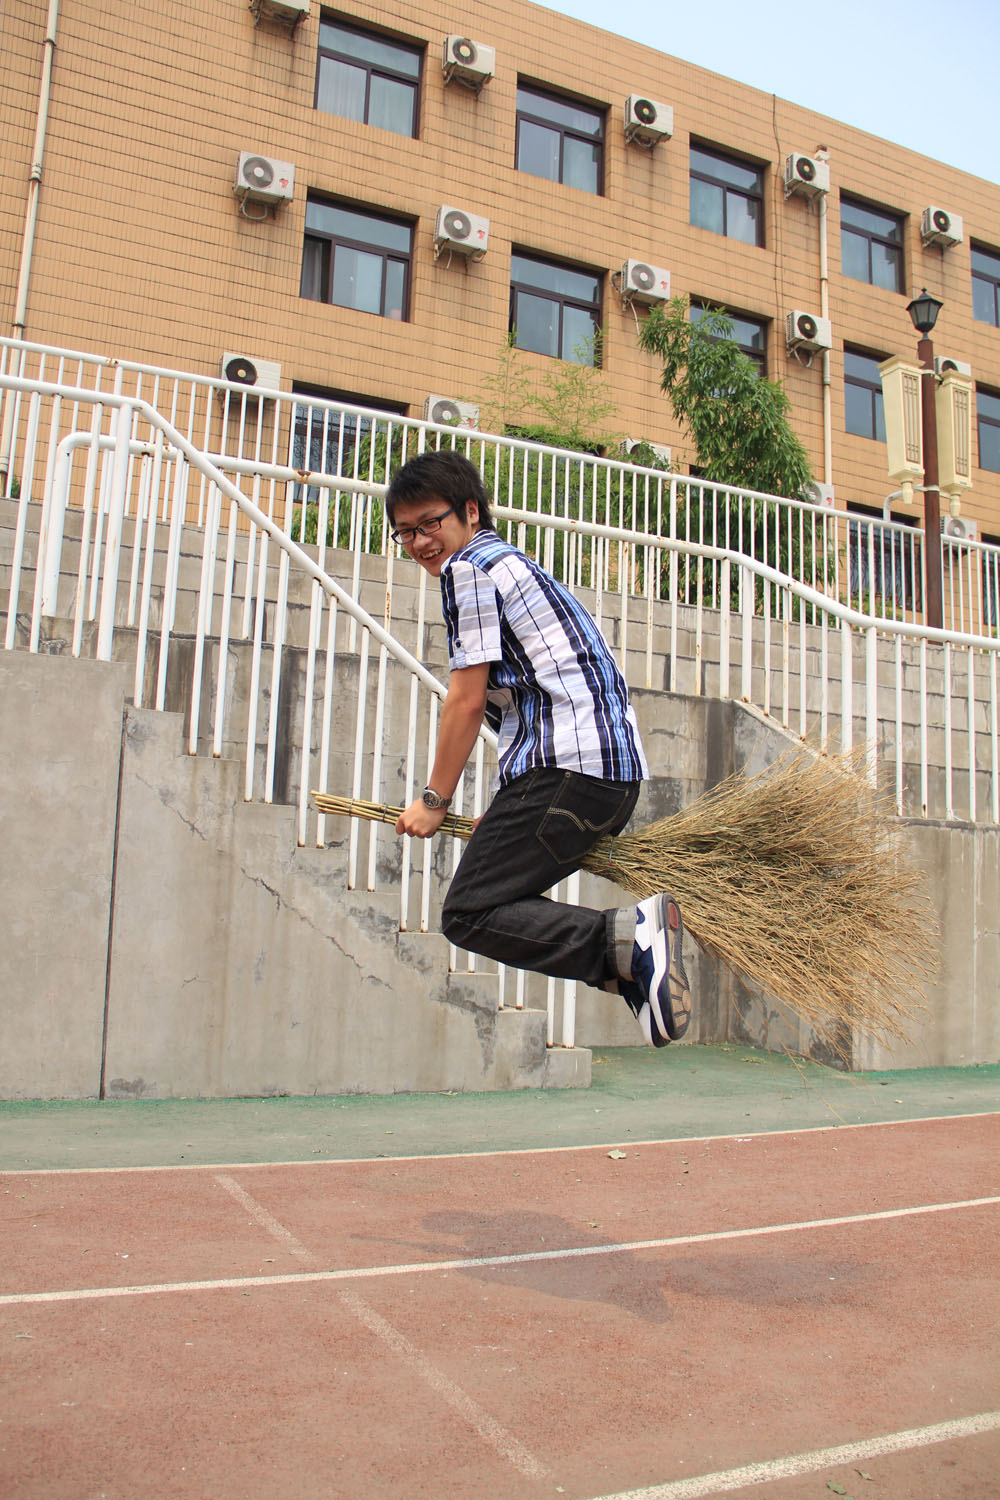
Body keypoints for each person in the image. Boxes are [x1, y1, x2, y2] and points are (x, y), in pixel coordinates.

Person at [387, 450, 691, 1047]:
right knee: (493, 899)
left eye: (430, 522)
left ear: (470, 511)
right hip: (610, 781)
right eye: (405, 532)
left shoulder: (467, 569)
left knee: (468, 912)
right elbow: (530, 694)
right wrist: (504, 813)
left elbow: (465, 702)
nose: (420, 542)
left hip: (566, 771)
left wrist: (434, 800)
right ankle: (630, 974)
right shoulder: (512, 564)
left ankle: (629, 940)